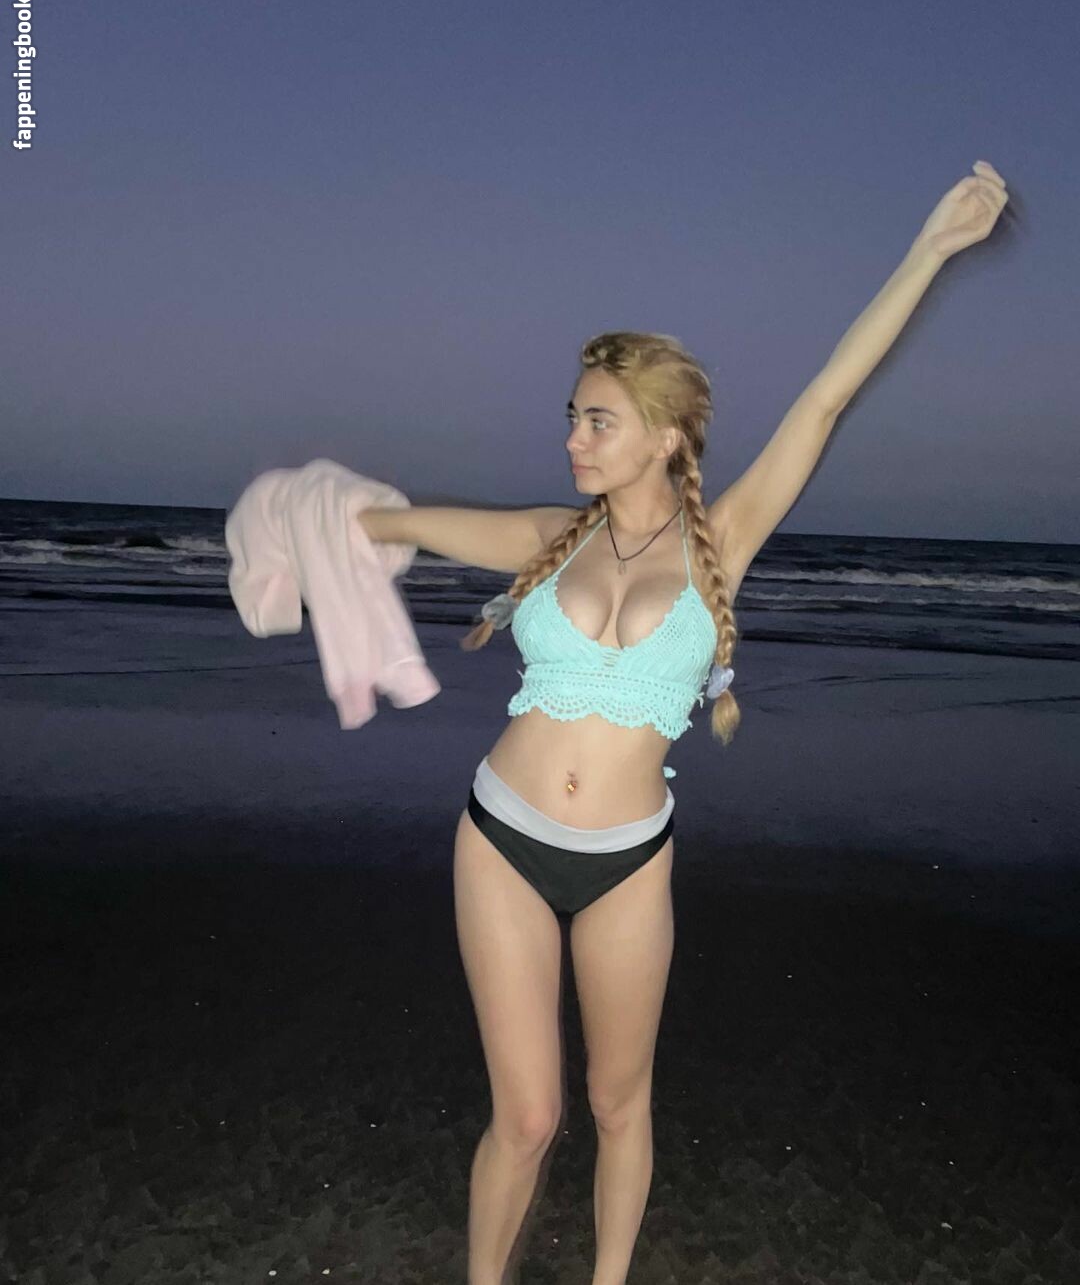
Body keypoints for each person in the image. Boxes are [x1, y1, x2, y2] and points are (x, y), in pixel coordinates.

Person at [360, 161, 1008, 1285]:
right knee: (526, 1117)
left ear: (664, 436)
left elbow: (825, 399)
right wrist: (310, 518)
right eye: (572, 416)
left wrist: (931, 250)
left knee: (619, 1105)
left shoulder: (727, 541)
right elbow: (391, 523)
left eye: (598, 420)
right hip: (501, 839)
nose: (574, 437)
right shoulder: (548, 535)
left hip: (627, 862)